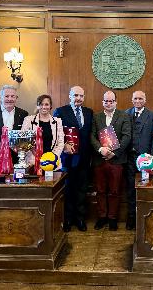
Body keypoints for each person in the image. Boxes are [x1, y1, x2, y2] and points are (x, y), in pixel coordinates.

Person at [54, 86, 93, 232]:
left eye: (81, 96)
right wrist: (64, 145)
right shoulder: (60, 111)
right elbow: (56, 134)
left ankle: (80, 218)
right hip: (68, 158)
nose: (78, 98)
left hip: (84, 158)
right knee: (68, 189)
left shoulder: (89, 112)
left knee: (82, 189)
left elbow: (90, 134)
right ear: (70, 96)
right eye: (75, 95)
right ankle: (68, 218)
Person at [90, 91, 131, 231]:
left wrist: (114, 153)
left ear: (116, 102)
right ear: (102, 102)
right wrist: (100, 149)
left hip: (116, 160)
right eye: (106, 101)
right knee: (100, 191)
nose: (108, 103)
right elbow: (92, 136)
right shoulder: (96, 117)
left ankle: (113, 218)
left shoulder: (124, 116)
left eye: (111, 101)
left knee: (114, 191)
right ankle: (102, 217)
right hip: (99, 159)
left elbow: (126, 137)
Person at [125, 91, 153, 230]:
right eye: (135, 98)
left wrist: (151, 159)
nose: (137, 101)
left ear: (145, 100)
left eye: (140, 98)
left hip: (146, 160)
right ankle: (131, 219)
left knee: (145, 190)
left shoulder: (152, 116)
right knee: (130, 189)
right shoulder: (125, 113)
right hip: (128, 159)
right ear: (132, 100)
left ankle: (143, 220)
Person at [21, 94, 65, 163]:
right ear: (37, 106)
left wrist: (53, 157)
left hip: (52, 161)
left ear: (50, 106)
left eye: (46, 104)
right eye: (41, 104)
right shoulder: (28, 120)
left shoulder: (58, 121)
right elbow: (24, 141)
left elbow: (60, 142)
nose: (44, 107)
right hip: (33, 161)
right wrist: (36, 155)